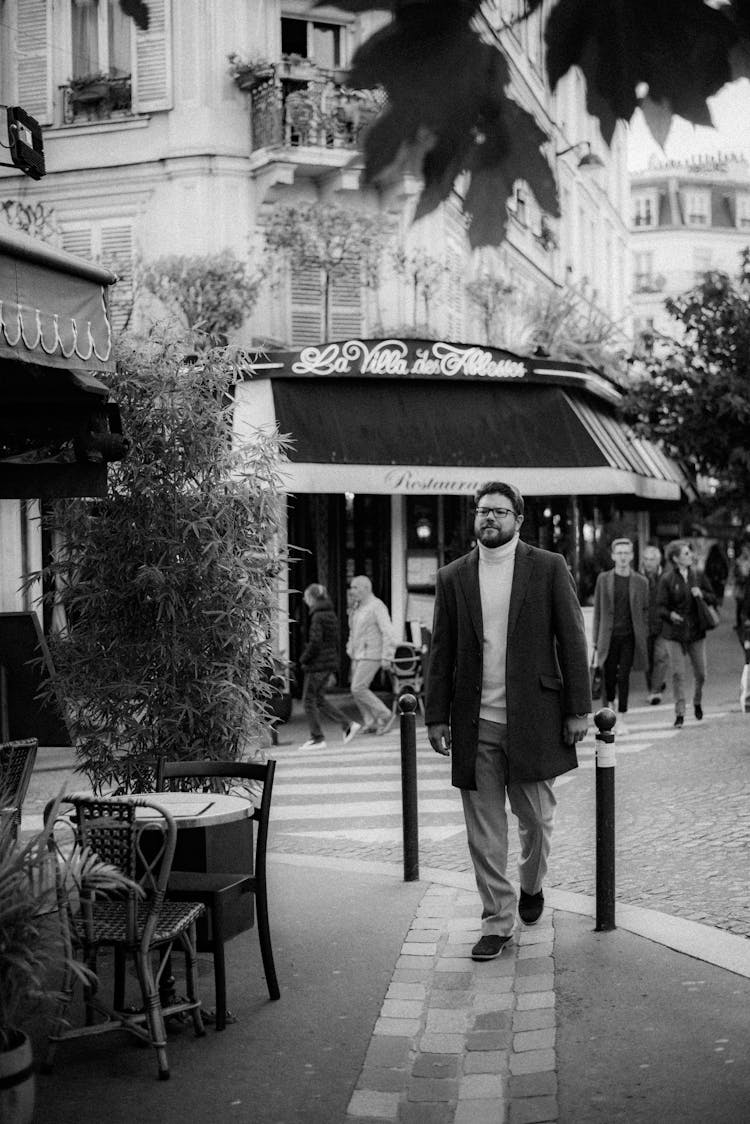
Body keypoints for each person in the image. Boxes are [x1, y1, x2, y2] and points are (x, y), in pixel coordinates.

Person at [425, 481, 590, 961]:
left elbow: (572, 639)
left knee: (537, 819)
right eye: (482, 511)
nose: (489, 518)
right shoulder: (453, 576)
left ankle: (532, 883)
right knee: (485, 832)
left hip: (534, 720)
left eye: (499, 511)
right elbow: (442, 652)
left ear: (519, 519)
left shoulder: (548, 567)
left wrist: (578, 708)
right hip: (475, 723)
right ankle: (497, 921)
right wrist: (436, 717)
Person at [657, 539, 717, 728]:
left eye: (689, 553)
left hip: (696, 631)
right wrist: (670, 614)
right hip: (674, 633)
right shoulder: (667, 579)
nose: (690, 555)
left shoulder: (698, 575)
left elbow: (713, 596)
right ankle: (680, 712)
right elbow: (659, 607)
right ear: (675, 559)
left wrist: (702, 594)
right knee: (678, 674)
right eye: (685, 553)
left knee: (701, 673)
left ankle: (697, 701)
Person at [591, 538, 649, 735]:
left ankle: (622, 717)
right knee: (608, 678)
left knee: (624, 676)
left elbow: (646, 610)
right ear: (613, 556)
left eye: (627, 553)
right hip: (608, 636)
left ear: (632, 556)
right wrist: (595, 639)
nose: (623, 556)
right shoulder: (603, 579)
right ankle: (609, 716)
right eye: (620, 553)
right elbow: (598, 610)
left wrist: (644, 632)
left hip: (630, 637)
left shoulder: (641, 582)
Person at [298, 584, 361, 750]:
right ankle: (347, 724)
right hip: (328, 662)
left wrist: (304, 659)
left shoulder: (318, 616)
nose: (305, 601)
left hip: (318, 664)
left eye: (306, 597)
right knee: (318, 699)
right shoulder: (331, 614)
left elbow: (315, 642)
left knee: (308, 701)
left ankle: (317, 738)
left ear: (312, 598)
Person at [346, 575, 397, 735]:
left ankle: (385, 714)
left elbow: (388, 632)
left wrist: (387, 656)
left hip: (372, 653)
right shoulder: (357, 607)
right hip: (358, 654)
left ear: (367, 588)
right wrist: (350, 649)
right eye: (352, 587)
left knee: (358, 688)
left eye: (356, 587)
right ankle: (371, 722)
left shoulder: (377, 606)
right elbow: (353, 631)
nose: (352, 591)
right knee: (356, 689)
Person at [640, 544, 670, 705]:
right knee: (647, 660)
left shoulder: (666, 577)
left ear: (658, 561)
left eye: (652, 559)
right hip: (645, 626)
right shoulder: (638, 578)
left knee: (661, 657)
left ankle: (655, 691)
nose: (649, 562)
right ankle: (654, 685)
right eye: (646, 559)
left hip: (663, 625)